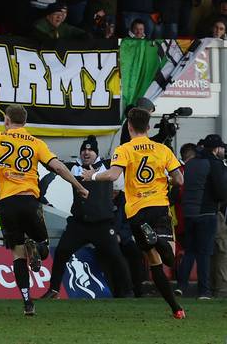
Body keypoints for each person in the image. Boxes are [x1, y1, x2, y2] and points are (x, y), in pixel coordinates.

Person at [0, 103, 88, 316]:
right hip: (30, 202)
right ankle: (36, 246)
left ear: (7, 121)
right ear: (25, 122)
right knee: (44, 247)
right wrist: (79, 187)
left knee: (18, 255)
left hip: (7, 205)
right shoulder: (36, 143)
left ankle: (28, 302)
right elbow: (58, 167)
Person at [81, 108, 186, 319]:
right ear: (148, 127)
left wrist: (92, 176)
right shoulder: (162, 149)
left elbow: (112, 175)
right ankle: (157, 239)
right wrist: (168, 180)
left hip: (136, 212)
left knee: (154, 261)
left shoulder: (124, 149)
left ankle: (176, 309)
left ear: (129, 127)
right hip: (158, 206)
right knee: (168, 259)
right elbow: (180, 180)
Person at [41, 136, 132, 299]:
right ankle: (53, 290)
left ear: (96, 152)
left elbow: (127, 146)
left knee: (116, 257)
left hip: (102, 225)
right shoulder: (73, 168)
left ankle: (128, 292)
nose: (86, 152)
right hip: (79, 224)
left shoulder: (108, 166)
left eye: (90, 150)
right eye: (84, 149)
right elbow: (52, 166)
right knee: (61, 252)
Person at [176, 134, 227, 299]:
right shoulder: (215, 164)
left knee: (190, 251)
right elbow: (220, 191)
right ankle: (203, 291)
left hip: (189, 214)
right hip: (207, 213)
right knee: (204, 253)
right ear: (216, 148)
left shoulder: (191, 163)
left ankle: (181, 286)